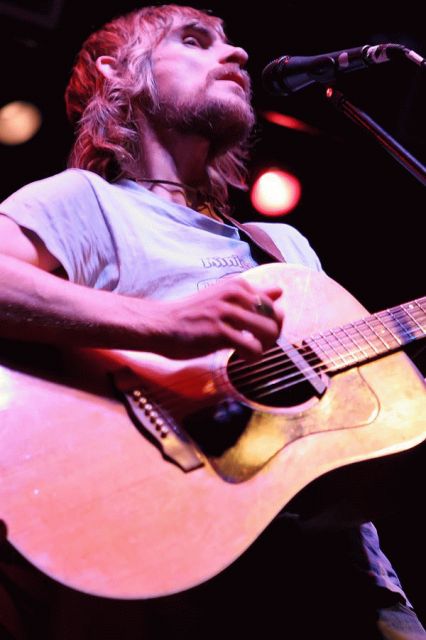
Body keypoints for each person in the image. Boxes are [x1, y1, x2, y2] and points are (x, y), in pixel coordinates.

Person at [0, 4, 424, 639]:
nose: (238, 55)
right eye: (195, 41)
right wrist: (163, 326)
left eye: (230, 43)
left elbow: (360, 415)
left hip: (347, 586)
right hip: (173, 577)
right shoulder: (85, 202)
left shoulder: (283, 247)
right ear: (118, 73)